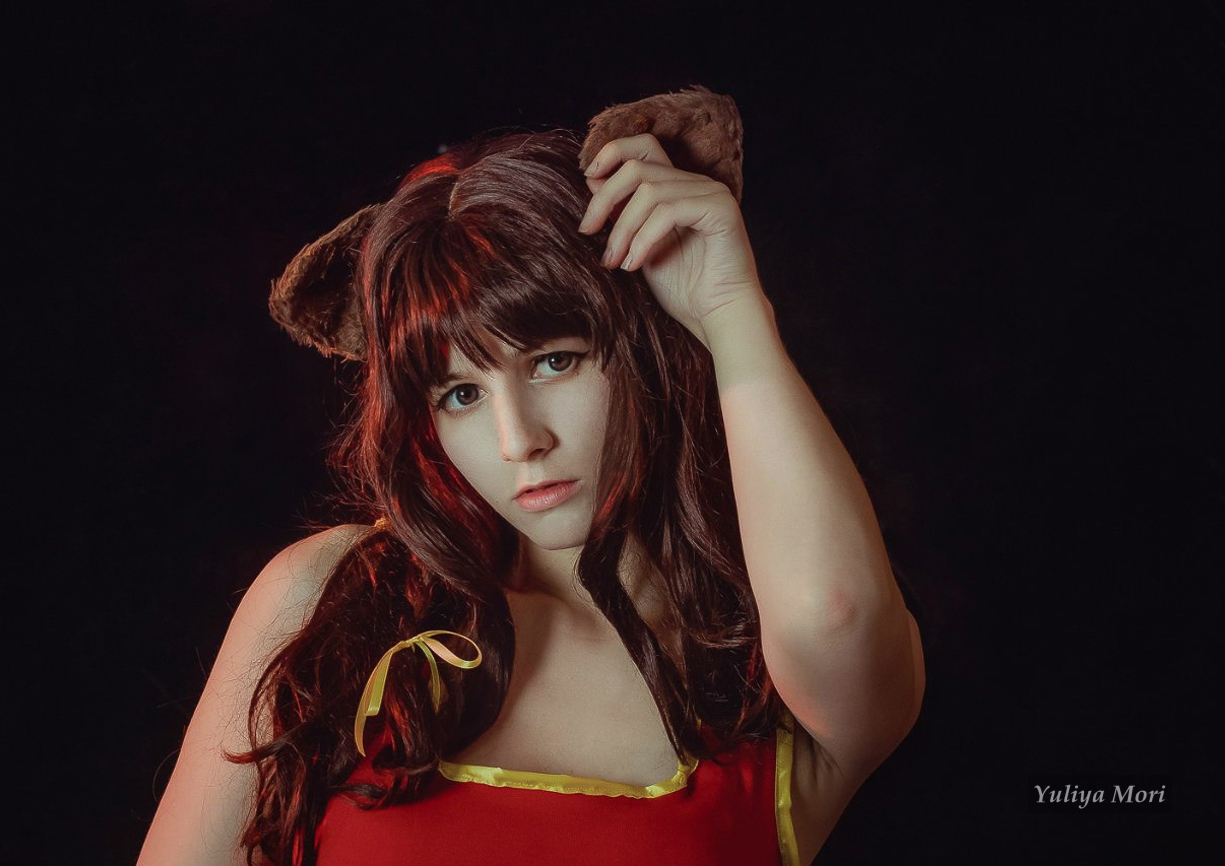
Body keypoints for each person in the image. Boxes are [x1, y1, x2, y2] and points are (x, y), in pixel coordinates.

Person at [137, 88, 925, 866]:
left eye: (554, 361)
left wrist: (729, 310)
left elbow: (835, 614)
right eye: (461, 394)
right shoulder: (338, 605)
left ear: (645, 346)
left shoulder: (760, 680)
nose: (519, 441)